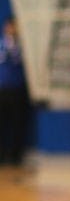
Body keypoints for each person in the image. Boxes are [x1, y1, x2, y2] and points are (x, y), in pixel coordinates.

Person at [0, 17, 30, 165]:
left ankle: (15, 156)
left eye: (14, 27)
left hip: (17, 89)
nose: (12, 29)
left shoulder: (22, 46)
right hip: (2, 89)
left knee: (17, 123)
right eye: (10, 26)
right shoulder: (1, 45)